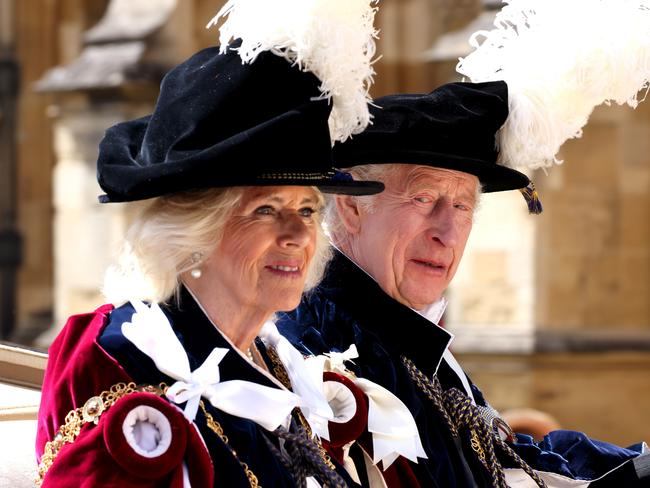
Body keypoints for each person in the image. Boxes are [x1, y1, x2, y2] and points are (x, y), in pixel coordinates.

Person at [34, 1, 389, 485]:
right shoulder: (129, 371)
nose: (299, 234)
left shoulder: (276, 365)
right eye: (266, 209)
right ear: (193, 229)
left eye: (307, 209)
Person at [276, 82, 650, 488]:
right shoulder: (310, 338)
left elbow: (503, 462)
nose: (448, 233)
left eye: (462, 206)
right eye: (423, 199)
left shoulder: (408, 336)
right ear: (351, 208)